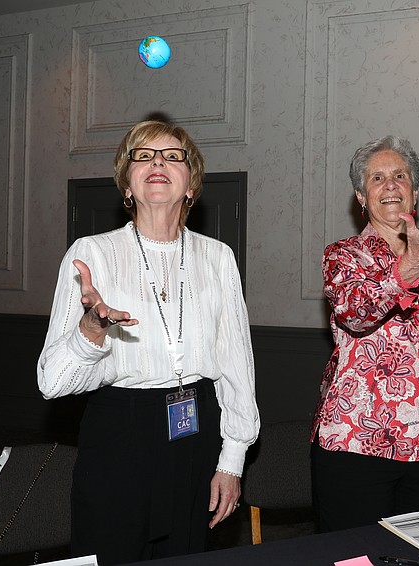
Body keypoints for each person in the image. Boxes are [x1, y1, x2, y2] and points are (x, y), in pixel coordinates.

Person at [37, 120, 259, 564]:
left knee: (186, 555)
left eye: (172, 156)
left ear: (191, 183)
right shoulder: (92, 254)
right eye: (143, 155)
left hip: (197, 432)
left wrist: (231, 462)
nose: (157, 161)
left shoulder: (218, 258)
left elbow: (237, 366)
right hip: (121, 435)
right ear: (127, 182)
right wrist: (91, 333)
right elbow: (51, 383)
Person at [311, 135, 419, 531]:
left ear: (415, 192)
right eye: (376, 178)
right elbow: (356, 313)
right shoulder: (342, 256)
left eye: (400, 176)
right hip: (356, 446)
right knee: (355, 557)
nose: (390, 185)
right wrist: (412, 264)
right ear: (361, 196)